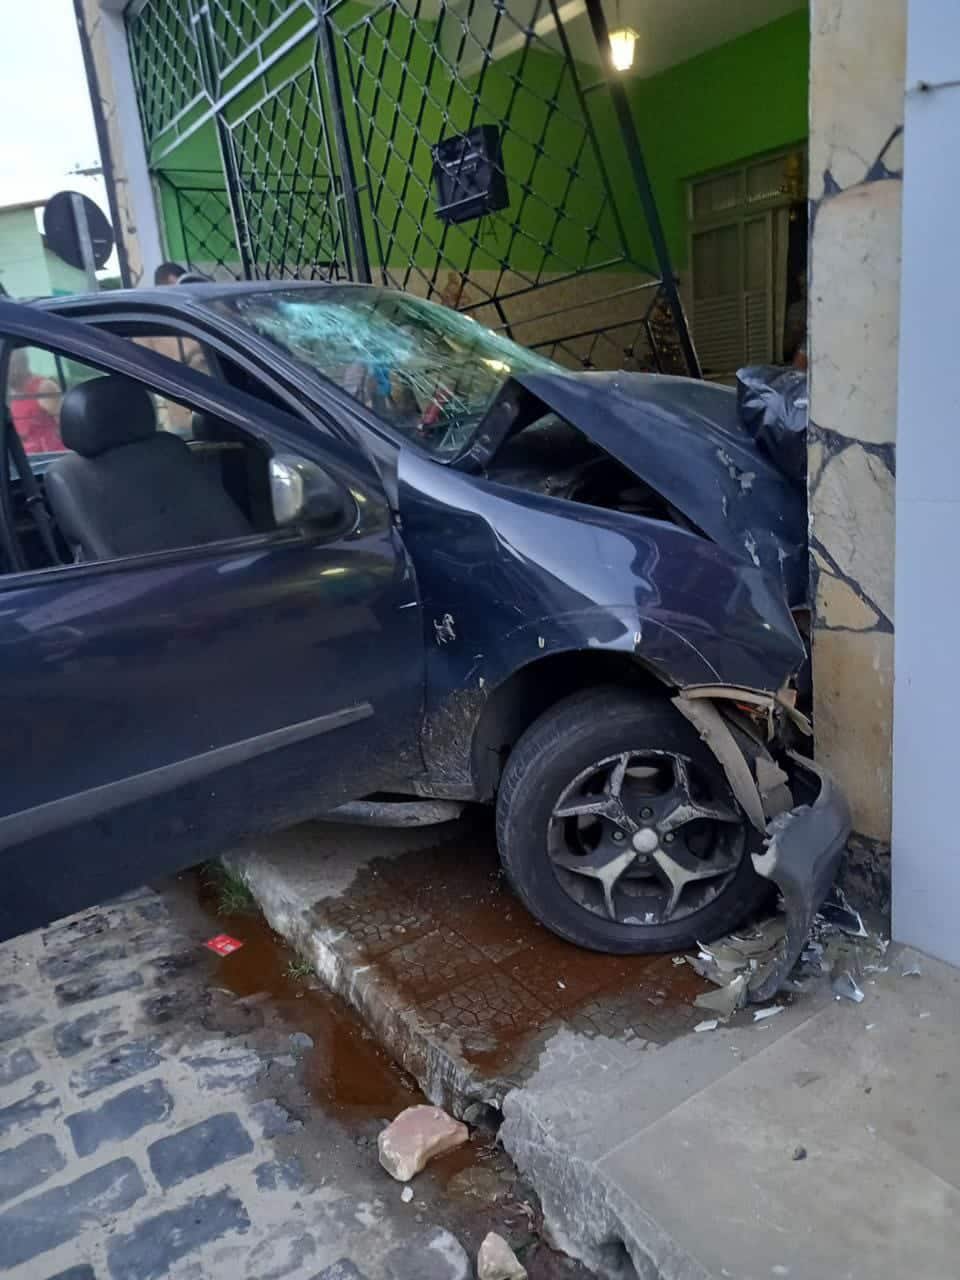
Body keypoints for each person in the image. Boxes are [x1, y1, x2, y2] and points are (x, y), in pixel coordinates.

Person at [8, 349, 64, 454]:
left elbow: (67, 427)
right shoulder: (9, 394)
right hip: (28, 461)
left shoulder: (43, 387)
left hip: (49, 459)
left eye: (12, 365)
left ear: (23, 364)